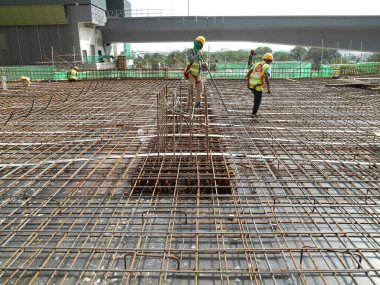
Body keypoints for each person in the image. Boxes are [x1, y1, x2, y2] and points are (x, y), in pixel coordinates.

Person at [246, 53, 273, 117]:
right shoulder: (267, 66)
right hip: (257, 86)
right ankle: (254, 113)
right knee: (258, 100)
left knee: (256, 97)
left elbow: (248, 74)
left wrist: (248, 83)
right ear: (270, 60)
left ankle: (254, 112)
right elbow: (266, 77)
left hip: (251, 85)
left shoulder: (256, 64)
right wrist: (269, 88)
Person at [184, 36, 208, 108]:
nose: (201, 45)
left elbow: (199, 64)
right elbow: (191, 60)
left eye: (202, 44)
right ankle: (189, 105)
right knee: (191, 90)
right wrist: (197, 54)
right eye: (200, 43)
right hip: (191, 73)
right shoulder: (190, 51)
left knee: (200, 89)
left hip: (198, 74)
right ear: (196, 43)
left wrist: (204, 64)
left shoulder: (199, 52)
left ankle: (197, 103)